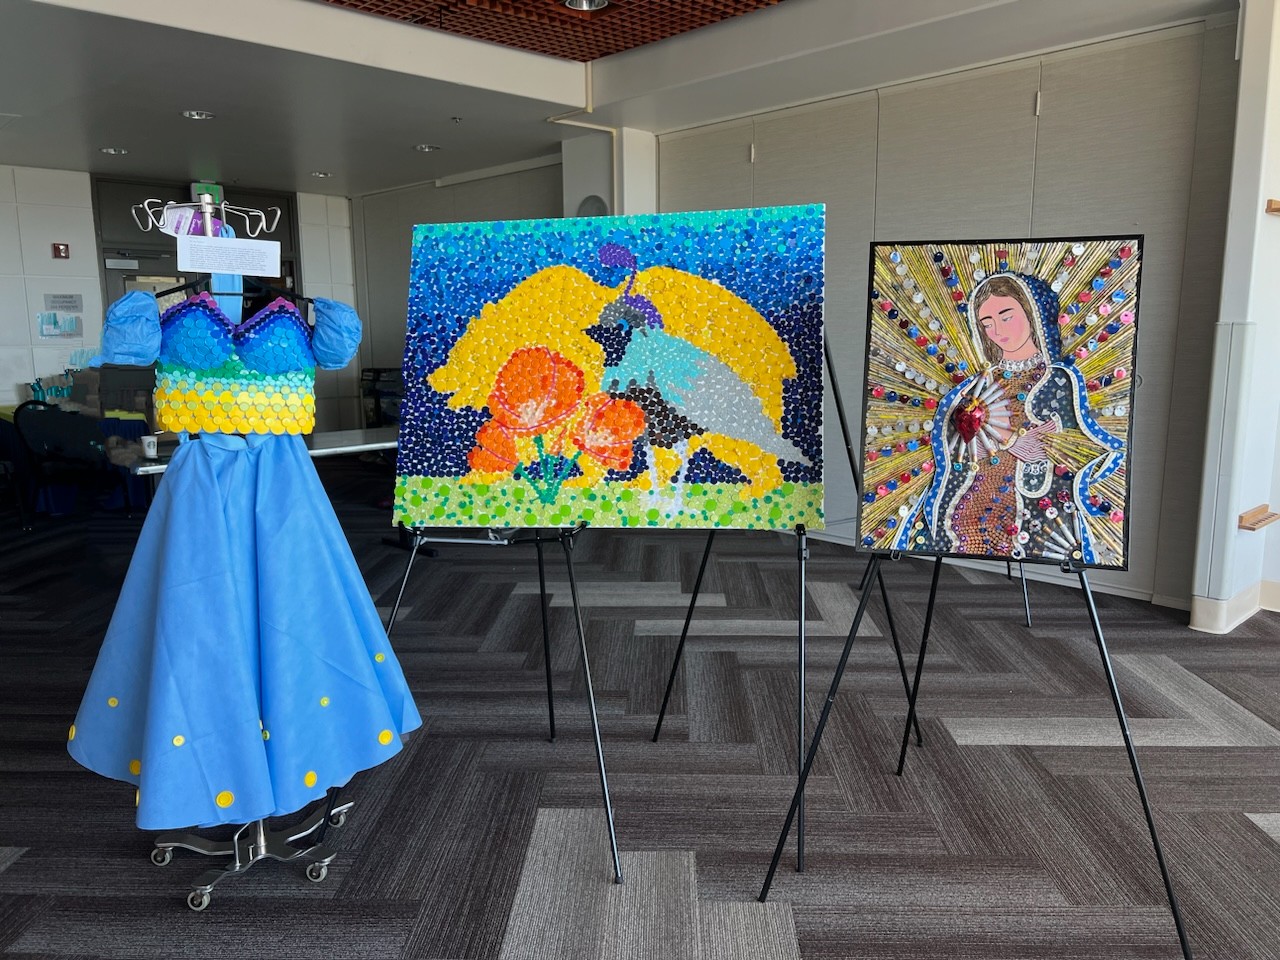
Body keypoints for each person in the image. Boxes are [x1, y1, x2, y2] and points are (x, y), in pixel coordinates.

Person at [894, 272, 1124, 565]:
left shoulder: (1058, 380)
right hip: (967, 499)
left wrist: (1041, 448)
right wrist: (1009, 442)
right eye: (986, 323)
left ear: (1031, 314)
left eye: (1006, 317)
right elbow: (952, 444)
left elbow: (1082, 445)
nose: (997, 331)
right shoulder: (977, 384)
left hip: (1033, 506)